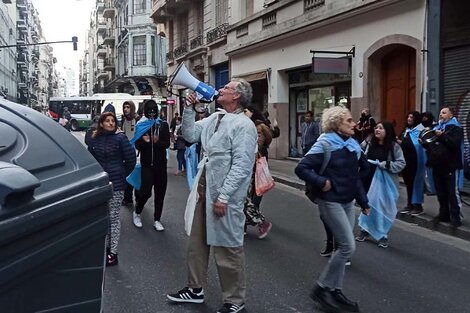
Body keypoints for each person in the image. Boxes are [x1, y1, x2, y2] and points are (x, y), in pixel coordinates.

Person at [166, 79, 257, 313]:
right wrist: (188, 108)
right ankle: (195, 289)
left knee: (228, 248)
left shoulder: (244, 126)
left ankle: (235, 300)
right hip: (205, 191)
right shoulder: (215, 118)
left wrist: (224, 196)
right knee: (197, 243)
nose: (221, 89)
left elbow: (242, 166)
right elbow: (189, 134)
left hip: (225, 197)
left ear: (236, 96)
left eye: (227, 88)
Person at [295, 106, 370, 313]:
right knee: (348, 246)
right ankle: (321, 288)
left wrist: (363, 202)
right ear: (337, 124)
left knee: (342, 248)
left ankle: (334, 290)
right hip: (330, 201)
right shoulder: (325, 144)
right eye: (349, 120)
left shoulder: (353, 145)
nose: (354, 124)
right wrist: (322, 182)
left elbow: (359, 173)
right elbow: (301, 168)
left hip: (347, 201)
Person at [86, 112, 136, 266]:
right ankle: (104, 248)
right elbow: (90, 160)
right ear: (101, 123)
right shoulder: (95, 139)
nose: (110, 123)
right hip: (100, 184)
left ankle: (112, 253)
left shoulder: (120, 139)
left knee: (113, 218)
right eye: (107, 121)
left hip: (116, 184)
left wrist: (121, 174)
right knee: (103, 217)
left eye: (113, 121)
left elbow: (131, 159)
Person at [356, 122, 406, 248]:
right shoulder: (369, 141)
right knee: (367, 204)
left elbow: (401, 163)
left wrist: (387, 165)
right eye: (376, 127)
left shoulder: (394, 147)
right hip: (368, 178)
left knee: (383, 207)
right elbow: (358, 151)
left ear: (387, 131)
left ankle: (382, 234)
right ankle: (365, 230)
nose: (377, 130)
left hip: (385, 182)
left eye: (381, 128)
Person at [131, 100, 171, 231]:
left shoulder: (163, 125)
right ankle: (137, 212)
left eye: (154, 110)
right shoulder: (141, 125)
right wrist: (146, 142)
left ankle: (157, 219)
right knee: (145, 191)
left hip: (161, 165)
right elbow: (137, 145)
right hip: (147, 165)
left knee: (160, 192)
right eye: (150, 110)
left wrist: (157, 142)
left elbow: (166, 144)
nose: (152, 112)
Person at [423, 107, 463, 228]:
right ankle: (444, 214)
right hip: (437, 165)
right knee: (440, 191)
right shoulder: (437, 128)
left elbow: (454, 144)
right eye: (440, 112)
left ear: (450, 116)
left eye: (444, 113)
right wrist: (424, 143)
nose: (441, 115)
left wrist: (442, 136)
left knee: (452, 192)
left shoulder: (456, 128)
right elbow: (432, 146)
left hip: (450, 165)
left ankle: (456, 217)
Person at [243, 105, 273, 239]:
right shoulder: (247, 125)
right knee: (243, 200)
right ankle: (243, 225)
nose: (243, 113)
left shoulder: (257, 127)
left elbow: (267, 138)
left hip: (254, 169)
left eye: (246, 111)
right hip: (248, 169)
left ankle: (261, 222)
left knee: (246, 201)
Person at [397, 112, 425, 216]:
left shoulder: (420, 130)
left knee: (415, 183)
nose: (409, 119)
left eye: (411, 117)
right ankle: (410, 204)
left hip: (415, 161)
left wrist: (403, 142)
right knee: (408, 183)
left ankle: (418, 206)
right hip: (406, 161)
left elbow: (417, 145)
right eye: (408, 116)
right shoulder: (407, 130)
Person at [121, 101, 140, 206]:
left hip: (136, 153)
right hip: (127, 153)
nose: (125, 109)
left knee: (136, 177)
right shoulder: (124, 120)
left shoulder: (137, 120)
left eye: (128, 107)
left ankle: (138, 199)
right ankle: (128, 199)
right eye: (124, 107)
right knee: (127, 177)